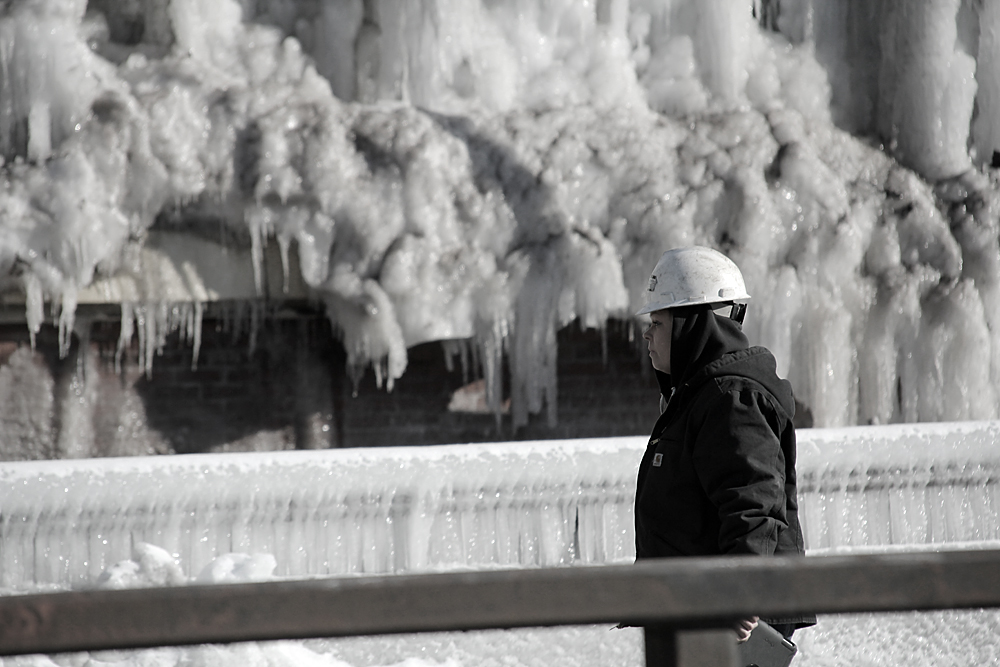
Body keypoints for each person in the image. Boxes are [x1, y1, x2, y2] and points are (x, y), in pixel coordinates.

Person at [633, 246, 816, 662]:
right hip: (696, 610)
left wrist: (741, 594)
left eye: (657, 322)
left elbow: (752, 503)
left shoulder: (732, 399)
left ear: (692, 325)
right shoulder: (698, 397)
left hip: (731, 622)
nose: (647, 334)